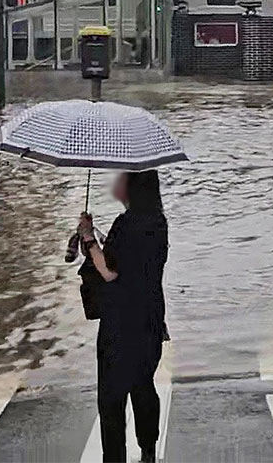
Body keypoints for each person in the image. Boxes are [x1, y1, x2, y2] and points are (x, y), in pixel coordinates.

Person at [78, 170, 169, 463]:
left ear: (132, 188)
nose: (116, 183)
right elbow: (134, 264)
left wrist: (89, 239)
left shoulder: (125, 225)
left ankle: (114, 457)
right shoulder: (158, 223)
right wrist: (101, 240)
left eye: (122, 179)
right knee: (143, 385)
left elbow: (109, 271)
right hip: (151, 318)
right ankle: (148, 451)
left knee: (112, 398)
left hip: (120, 323)